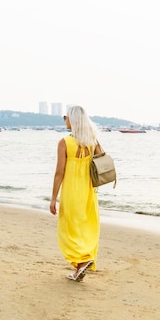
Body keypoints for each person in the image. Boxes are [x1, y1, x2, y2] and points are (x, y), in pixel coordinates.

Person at [50, 105, 102, 282]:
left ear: (72, 119)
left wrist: (53, 198)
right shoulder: (92, 141)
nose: (64, 119)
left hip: (72, 191)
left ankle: (82, 259)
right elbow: (102, 159)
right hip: (88, 192)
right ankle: (80, 266)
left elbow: (59, 173)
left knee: (69, 228)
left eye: (66, 116)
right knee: (85, 226)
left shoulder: (64, 142)